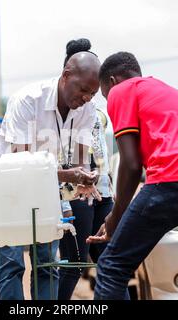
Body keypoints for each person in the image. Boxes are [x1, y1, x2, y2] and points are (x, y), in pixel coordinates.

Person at [87, 52, 178, 300]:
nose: (108, 100)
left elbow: (131, 164)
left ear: (112, 81)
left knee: (112, 266)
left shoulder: (122, 91)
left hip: (172, 184)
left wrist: (115, 217)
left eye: (104, 94)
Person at [0, 38, 101, 300]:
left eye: (92, 94)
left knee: (48, 263)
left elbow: (80, 160)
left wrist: (85, 178)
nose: (85, 98)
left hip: (47, 181)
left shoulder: (88, 109)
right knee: (12, 264)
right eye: (82, 89)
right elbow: (21, 164)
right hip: (8, 184)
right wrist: (68, 175)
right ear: (66, 75)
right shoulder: (28, 100)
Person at [58, 109, 115, 300]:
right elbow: (57, 156)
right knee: (75, 264)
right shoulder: (63, 113)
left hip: (103, 194)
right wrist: (64, 203)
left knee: (111, 264)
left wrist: (107, 180)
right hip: (75, 194)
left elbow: (101, 150)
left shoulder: (99, 113)